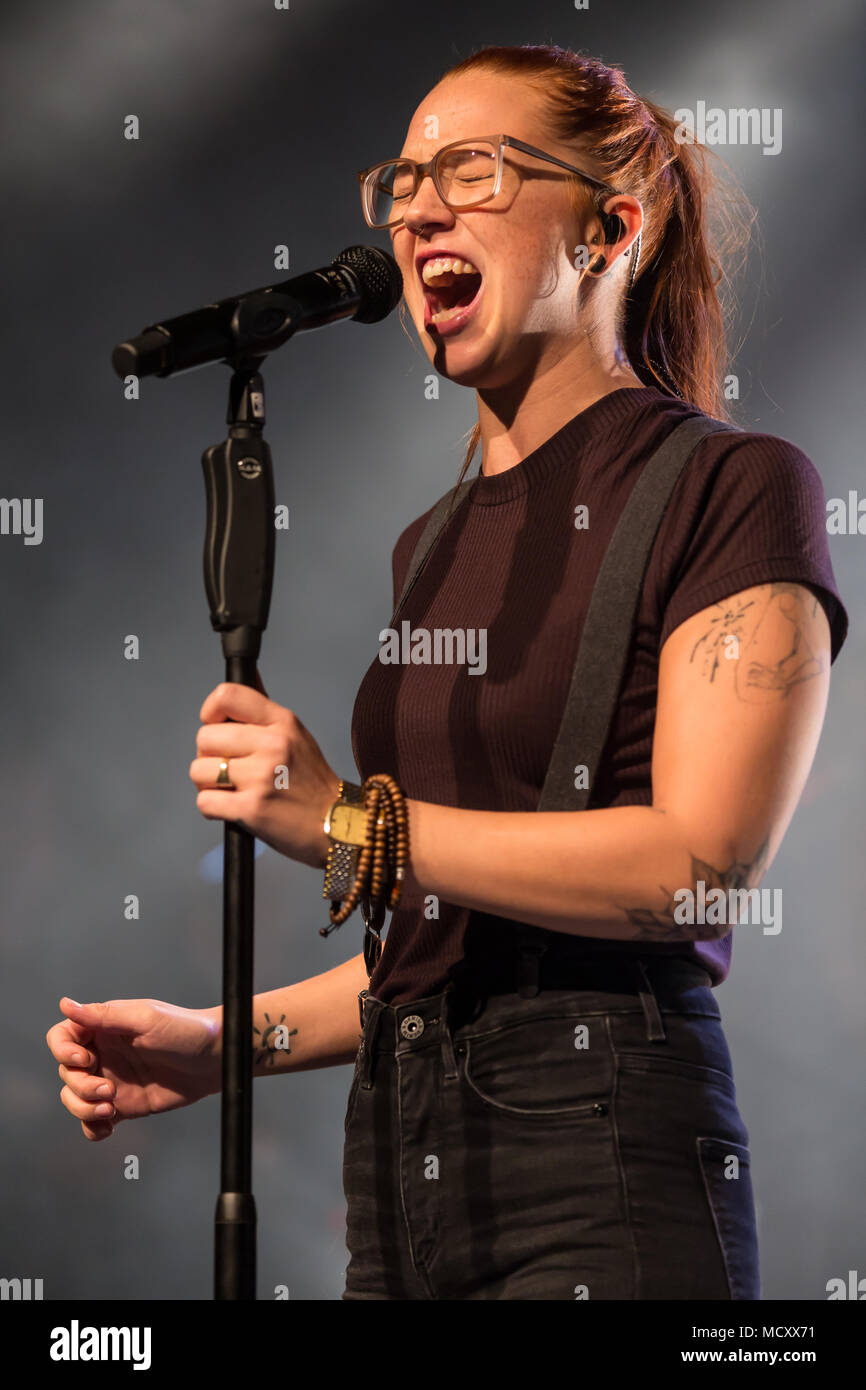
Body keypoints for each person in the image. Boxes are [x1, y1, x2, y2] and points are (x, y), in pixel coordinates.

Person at [46, 45, 847, 1300]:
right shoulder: (431, 542)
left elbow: (698, 869)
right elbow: (441, 936)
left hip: (597, 1165)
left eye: (470, 171)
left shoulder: (731, 485)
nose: (419, 209)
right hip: (404, 1169)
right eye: (404, 178)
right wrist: (222, 1046)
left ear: (609, 226)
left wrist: (352, 822)